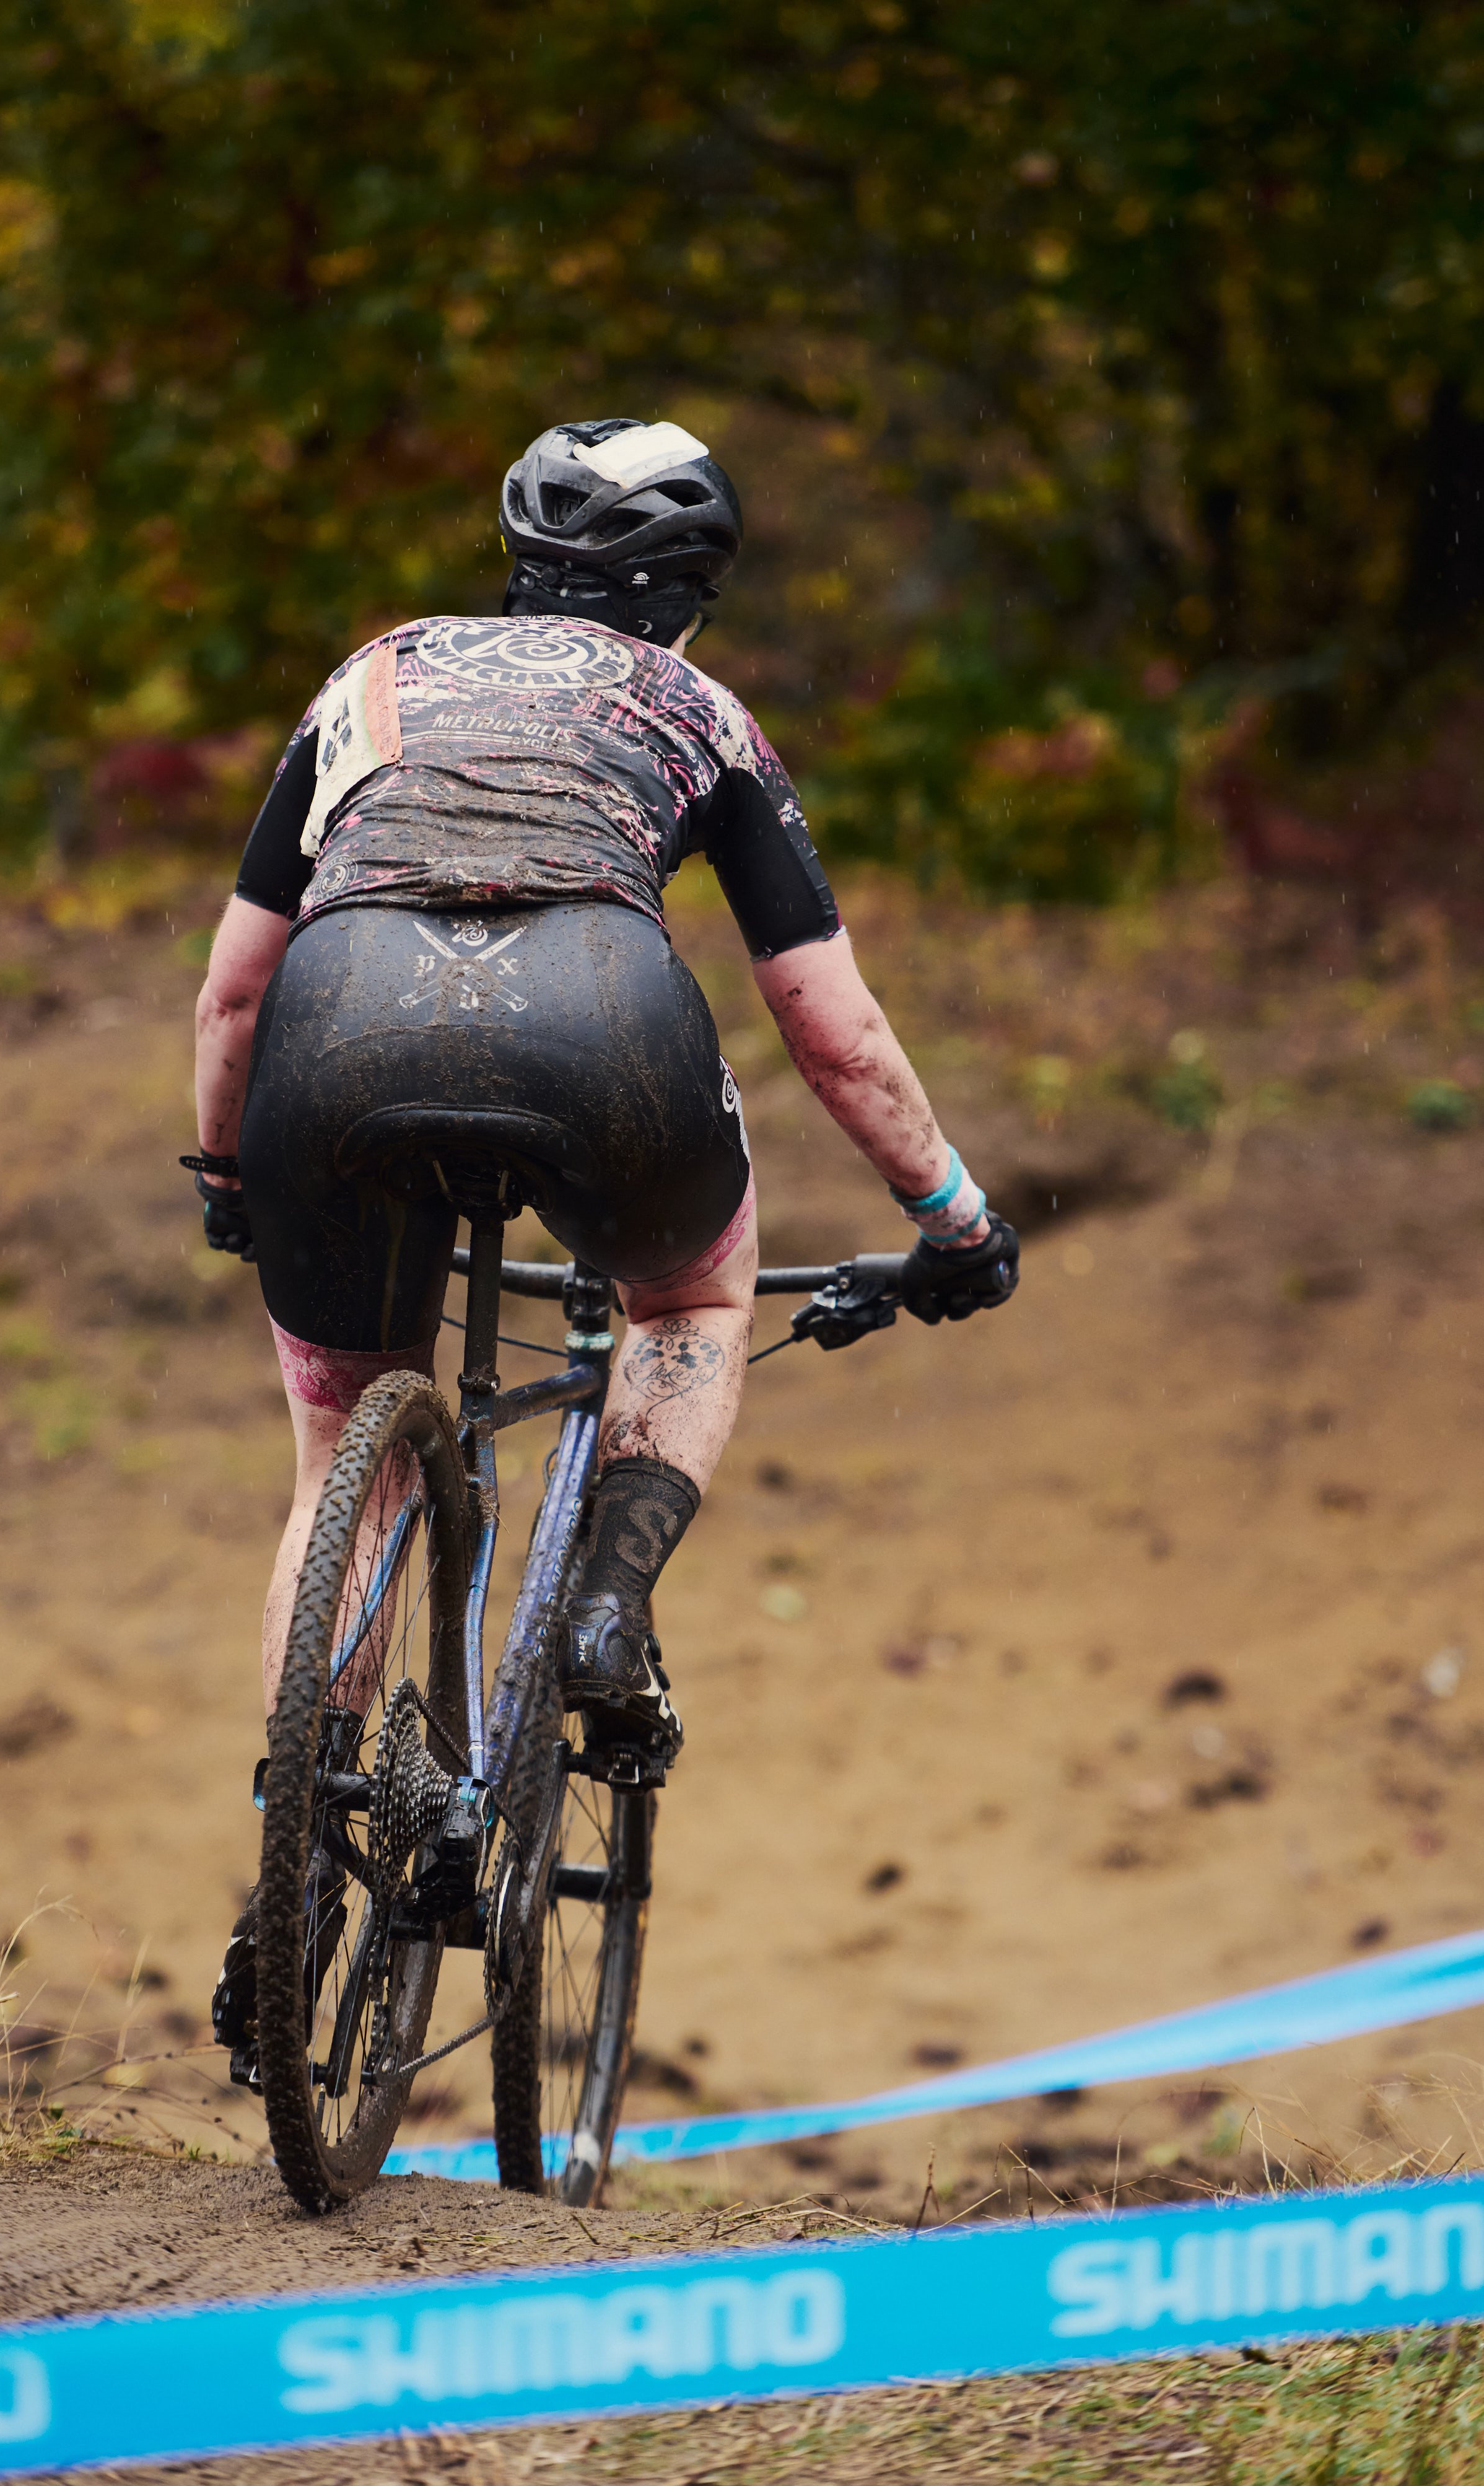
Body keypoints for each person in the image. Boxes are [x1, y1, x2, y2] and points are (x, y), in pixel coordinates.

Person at [191, 418, 1017, 1975]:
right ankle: (605, 1610)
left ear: (518, 564)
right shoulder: (700, 711)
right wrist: (953, 1218)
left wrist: (233, 1171)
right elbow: (830, 1030)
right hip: (598, 1014)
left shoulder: (373, 675)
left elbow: (236, 989)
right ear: (694, 588)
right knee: (689, 1293)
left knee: (344, 1446)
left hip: (336, 1023)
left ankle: (296, 1855)